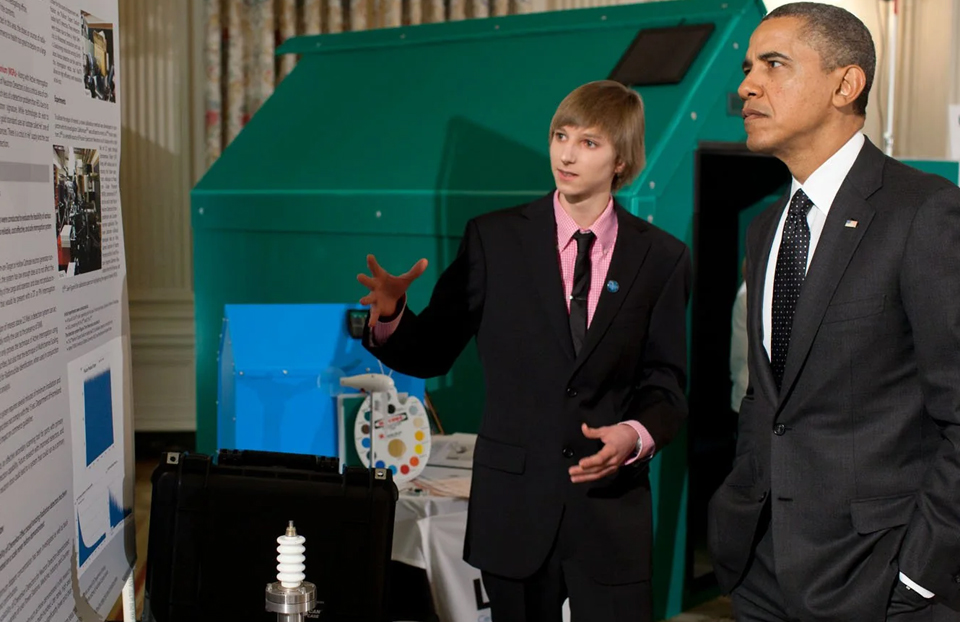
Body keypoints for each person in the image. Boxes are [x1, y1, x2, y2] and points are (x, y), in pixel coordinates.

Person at [357, 80, 690, 621]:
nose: (566, 153)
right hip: (514, 508)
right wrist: (393, 315)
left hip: (610, 513)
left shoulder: (663, 259)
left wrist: (635, 434)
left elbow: (666, 384)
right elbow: (431, 352)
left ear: (622, 160)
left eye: (589, 142)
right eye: (561, 135)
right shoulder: (494, 239)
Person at [707, 3, 960, 621]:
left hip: (877, 577)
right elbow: (769, 398)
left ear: (845, 85)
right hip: (762, 569)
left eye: (773, 64)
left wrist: (921, 574)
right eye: (747, 68)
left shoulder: (924, 212)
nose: (746, 86)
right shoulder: (767, 229)